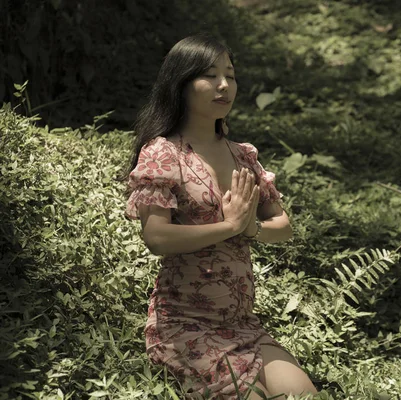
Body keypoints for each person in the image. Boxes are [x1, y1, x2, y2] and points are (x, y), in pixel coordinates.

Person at [121, 33, 318, 399]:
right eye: (209, 75)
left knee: (304, 395)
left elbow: (283, 226)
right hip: (185, 325)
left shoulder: (243, 155)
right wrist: (228, 226)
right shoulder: (164, 154)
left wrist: (250, 228)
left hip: (243, 325)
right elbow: (157, 238)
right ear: (180, 83)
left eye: (230, 74)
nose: (224, 85)